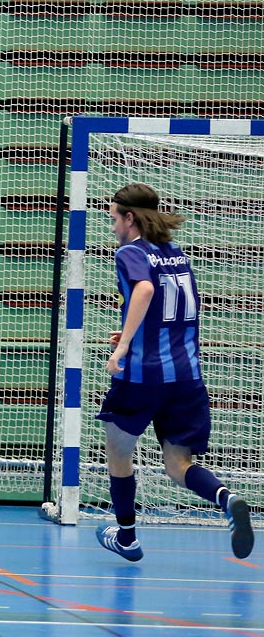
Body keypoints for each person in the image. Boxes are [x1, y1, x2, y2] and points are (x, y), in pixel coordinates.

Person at [96, 183, 250, 562]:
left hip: (142, 376)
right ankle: (226, 499)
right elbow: (176, 308)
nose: (112, 225)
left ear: (130, 218)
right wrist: (135, 332)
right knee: (178, 464)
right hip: (186, 376)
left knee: (118, 453)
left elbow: (145, 291)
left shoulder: (130, 251)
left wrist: (124, 344)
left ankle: (128, 538)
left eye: (114, 218)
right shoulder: (175, 254)